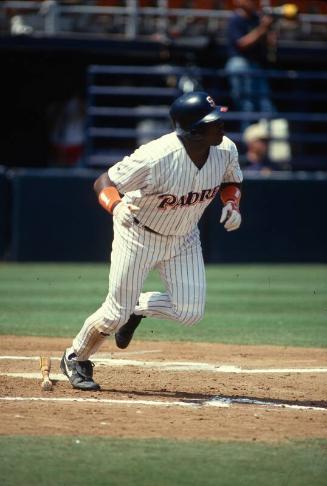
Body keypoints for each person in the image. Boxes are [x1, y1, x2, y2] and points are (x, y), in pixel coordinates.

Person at [60, 91, 243, 391]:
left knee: (190, 312)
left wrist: (232, 204)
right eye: (213, 122)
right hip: (138, 233)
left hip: (184, 237)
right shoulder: (156, 156)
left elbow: (231, 181)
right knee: (113, 314)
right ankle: (75, 357)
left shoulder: (226, 150)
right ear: (194, 130)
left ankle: (138, 308)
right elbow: (103, 182)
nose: (221, 125)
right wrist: (115, 206)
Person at [225, 0, 277, 122]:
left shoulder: (257, 18)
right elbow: (241, 44)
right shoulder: (235, 19)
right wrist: (262, 28)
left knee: (265, 103)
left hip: (255, 64)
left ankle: (268, 134)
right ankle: (247, 136)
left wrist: (269, 29)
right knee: (247, 104)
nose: (253, 2)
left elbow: (271, 44)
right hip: (239, 63)